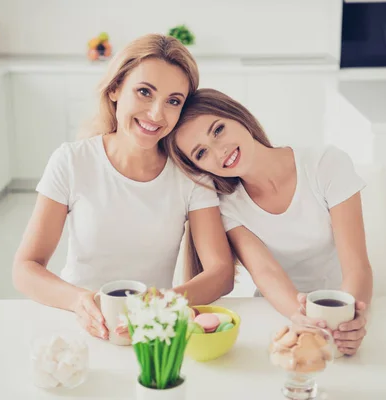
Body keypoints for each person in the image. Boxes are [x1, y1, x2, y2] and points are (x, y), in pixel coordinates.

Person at [13, 36, 235, 341]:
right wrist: (79, 301)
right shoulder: (72, 161)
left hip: (151, 330)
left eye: (173, 101)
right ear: (115, 88)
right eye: (144, 92)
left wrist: (164, 305)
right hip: (76, 321)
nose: (156, 114)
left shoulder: (190, 176)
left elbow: (221, 272)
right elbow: (25, 268)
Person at [164, 88, 373, 355]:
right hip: (279, 316)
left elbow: (357, 266)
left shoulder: (325, 164)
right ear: (199, 168)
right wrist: (302, 318)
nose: (219, 151)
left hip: (345, 305)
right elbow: (266, 273)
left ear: (238, 116)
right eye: (201, 153)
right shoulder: (228, 206)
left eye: (218, 130)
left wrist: (348, 319)